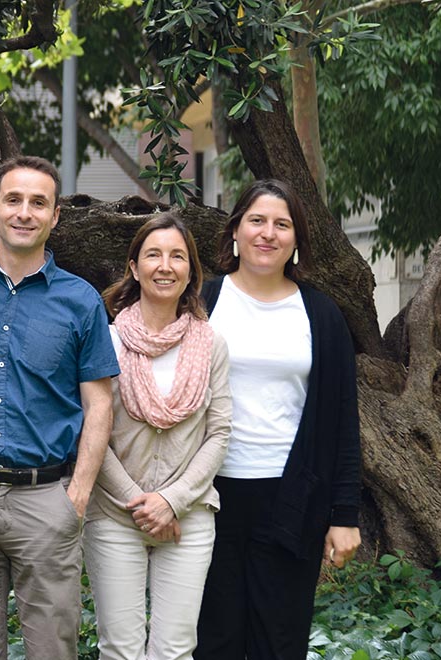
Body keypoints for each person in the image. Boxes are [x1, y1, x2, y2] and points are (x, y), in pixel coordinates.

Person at [0, 155, 118, 660]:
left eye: (39, 203)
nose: (24, 212)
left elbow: (99, 403)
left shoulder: (81, 301)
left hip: (46, 500)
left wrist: (76, 496)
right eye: (13, 200)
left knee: (52, 649)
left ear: (55, 217)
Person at [193, 179, 362, 660]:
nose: (268, 234)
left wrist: (344, 516)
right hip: (209, 496)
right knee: (212, 642)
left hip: (292, 501)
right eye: (257, 221)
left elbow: (343, 422)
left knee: (279, 644)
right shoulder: (202, 303)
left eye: (282, 225)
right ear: (235, 233)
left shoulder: (321, 315)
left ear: (296, 241)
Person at [83, 213, 232, 660]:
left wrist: (172, 501)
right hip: (114, 515)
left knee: (176, 649)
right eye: (153, 255)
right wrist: (139, 503)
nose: (165, 266)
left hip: (188, 516)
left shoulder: (211, 344)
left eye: (177, 256)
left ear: (190, 271)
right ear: (134, 267)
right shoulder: (105, 341)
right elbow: (94, 429)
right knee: (121, 649)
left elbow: (219, 431)